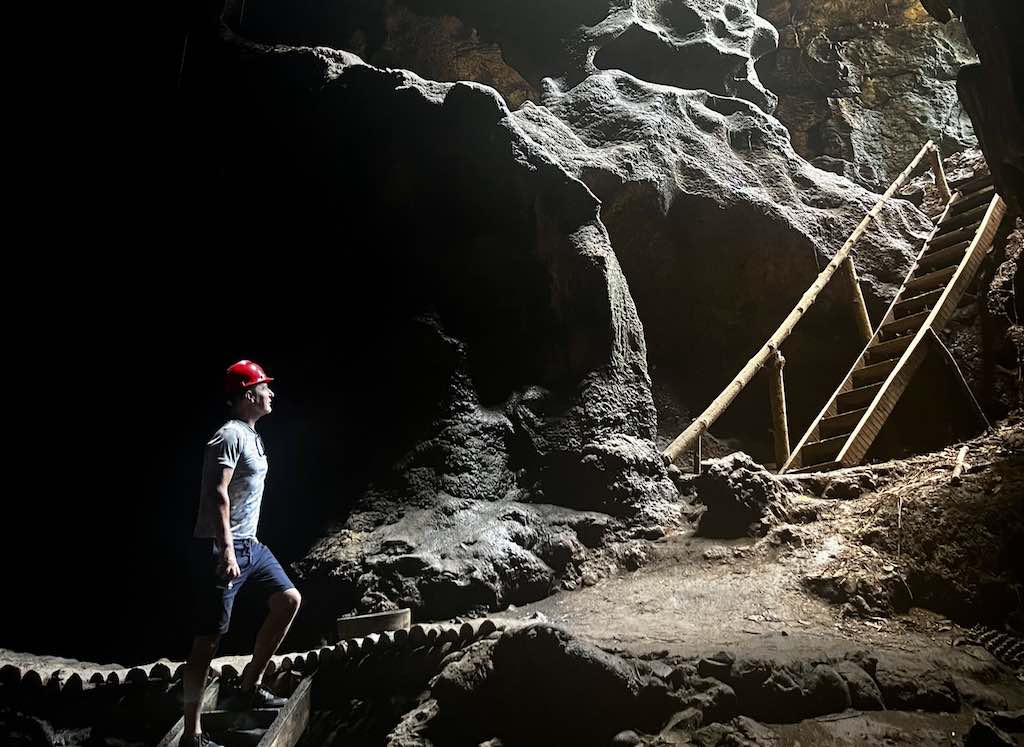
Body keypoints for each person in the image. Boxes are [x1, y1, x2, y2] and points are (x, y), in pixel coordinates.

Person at [179, 360, 302, 747]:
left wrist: (242, 545)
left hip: (251, 545)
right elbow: (216, 493)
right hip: (221, 547)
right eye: (265, 387)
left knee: (288, 600)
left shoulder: (251, 434)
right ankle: (191, 734)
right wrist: (227, 551)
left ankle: (249, 684)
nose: (271, 393)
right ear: (249, 395)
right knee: (208, 642)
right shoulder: (228, 436)